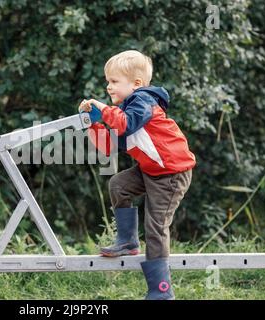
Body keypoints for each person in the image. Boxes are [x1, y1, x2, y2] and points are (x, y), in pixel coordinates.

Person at [78, 50, 196, 300]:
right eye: (107, 81)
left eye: (114, 81)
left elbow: (127, 123)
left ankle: (161, 291)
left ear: (137, 84)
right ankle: (128, 241)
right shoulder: (124, 110)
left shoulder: (143, 101)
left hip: (172, 173)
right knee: (119, 184)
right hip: (151, 170)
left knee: (155, 226)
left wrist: (103, 108)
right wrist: (92, 124)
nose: (108, 86)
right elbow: (110, 146)